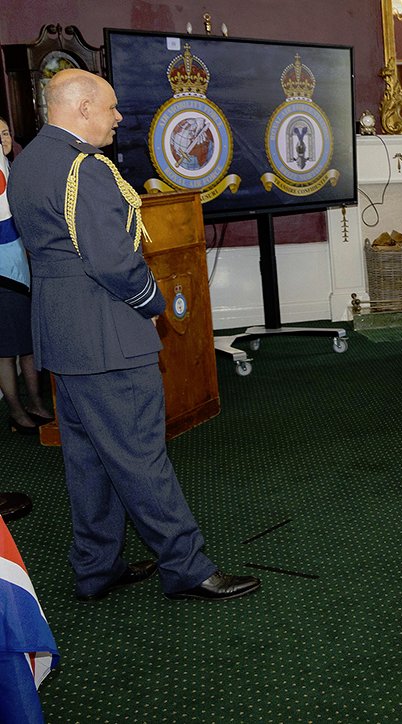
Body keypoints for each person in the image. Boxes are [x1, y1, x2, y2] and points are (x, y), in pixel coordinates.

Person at [8, 69, 260, 601]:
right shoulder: (86, 169)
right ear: (80, 107)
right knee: (141, 457)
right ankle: (187, 567)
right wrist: (151, 303)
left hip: (61, 332)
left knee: (88, 459)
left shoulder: (25, 162)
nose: (118, 117)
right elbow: (114, 261)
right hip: (107, 333)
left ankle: (97, 568)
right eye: (112, 107)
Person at [0, 117, 50, 436]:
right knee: (6, 349)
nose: (1, 139)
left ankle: (36, 403)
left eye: (4, 132)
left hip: (25, 265)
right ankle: (17, 412)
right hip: (4, 274)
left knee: (29, 345)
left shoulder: (14, 164)